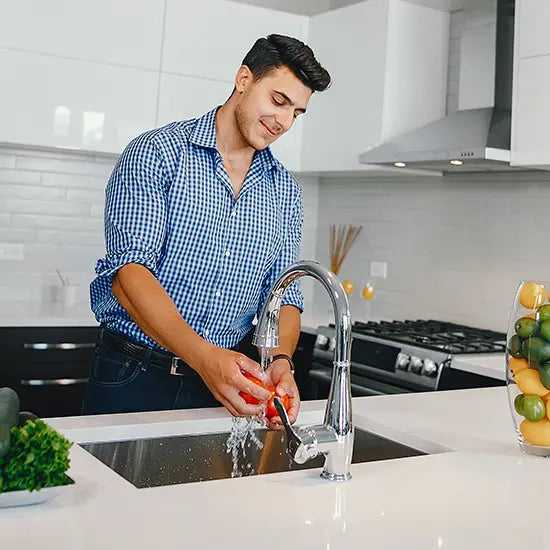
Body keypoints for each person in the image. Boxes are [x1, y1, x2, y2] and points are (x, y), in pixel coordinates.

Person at [82, 34, 331, 428]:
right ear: (244, 79)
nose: (284, 121)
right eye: (278, 101)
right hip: (134, 374)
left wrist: (280, 361)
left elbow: (283, 293)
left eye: (297, 112)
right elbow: (129, 276)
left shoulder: (286, 190)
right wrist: (204, 358)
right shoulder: (156, 153)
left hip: (227, 385)